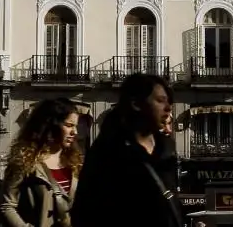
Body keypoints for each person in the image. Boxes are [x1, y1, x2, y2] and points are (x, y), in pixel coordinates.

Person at [71, 73, 181, 227]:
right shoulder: (108, 152)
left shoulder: (167, 149)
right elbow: (86, 212)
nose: (168, 108)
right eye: (160, 101)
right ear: (136, 104)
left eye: (169, 102)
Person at [0, 98, 81, 227]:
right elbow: (6, 206)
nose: (75, 132)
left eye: (75, 126)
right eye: (68, 125)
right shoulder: (24, 160)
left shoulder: (77, 163)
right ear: (51, 125)